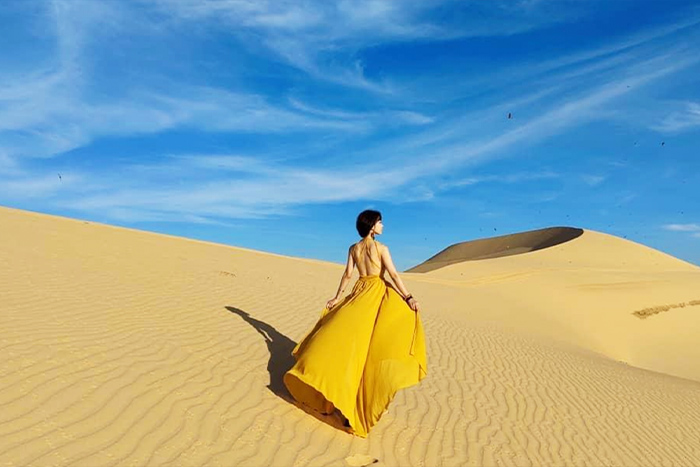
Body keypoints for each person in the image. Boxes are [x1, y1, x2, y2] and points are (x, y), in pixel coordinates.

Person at [283, 210, 428, 437]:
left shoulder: (353, 248)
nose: (382, 226)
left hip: (359, 293)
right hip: (377, 295)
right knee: (368, 352)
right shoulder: (382, 249)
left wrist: (337, 298)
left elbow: (347, 275)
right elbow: (393, 275)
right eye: (380, 222)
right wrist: (409, 297)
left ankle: (338, 400)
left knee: (351, 348)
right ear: (372, 226)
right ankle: (356, 408)